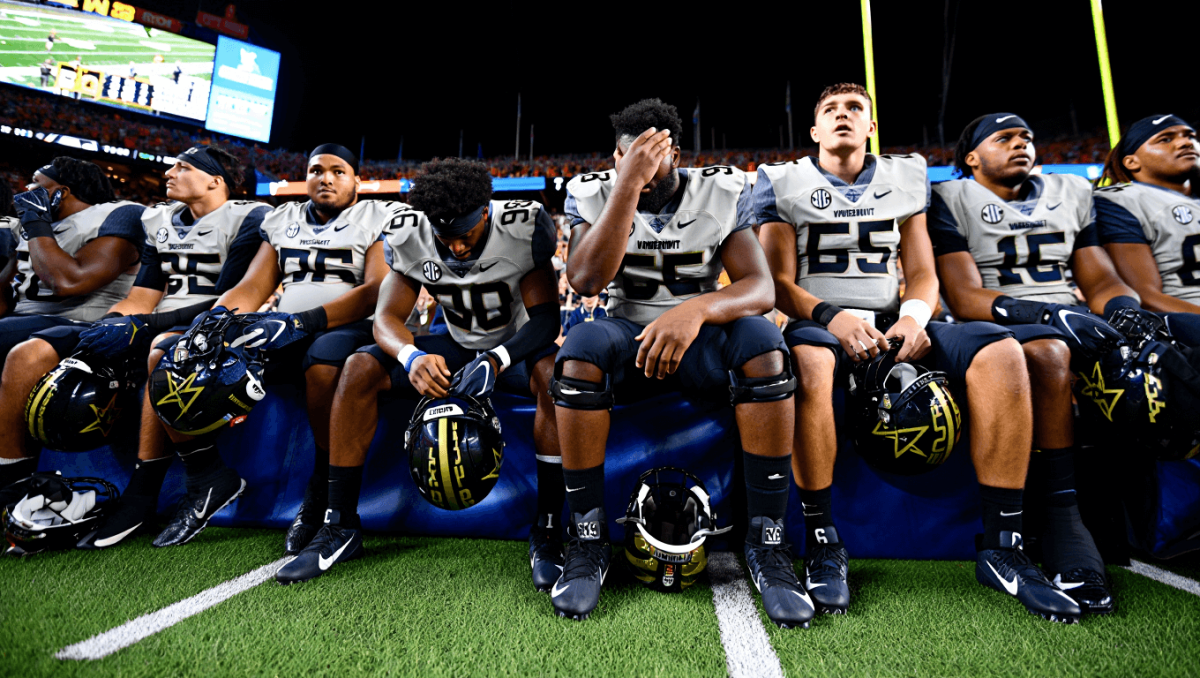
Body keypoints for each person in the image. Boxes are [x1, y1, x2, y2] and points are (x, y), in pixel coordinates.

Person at [756, 84, 1081, 623]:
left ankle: (1002, 544)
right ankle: (822, 538)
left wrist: (913, 317)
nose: (843, 116)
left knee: (1000, 351)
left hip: (894, 318)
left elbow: (925, 272)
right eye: (830, 111)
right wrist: (831, 318)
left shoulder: (904, 176)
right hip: (821, 323)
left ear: (870, 127)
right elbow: (778, 283)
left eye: (854, 109)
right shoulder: (782, 180)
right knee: (811, 361)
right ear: (813, 131)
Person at [550, 99, 802, 626]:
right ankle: (589, 537)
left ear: (678, 155)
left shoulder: (721, 188)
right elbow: (587, 281)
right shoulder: (593, 191)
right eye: (628, 154)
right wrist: (627, 185)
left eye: (653, 155)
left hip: (703, 337)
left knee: (762, 342)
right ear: (614, 158)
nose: (641, 164)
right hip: (627, 333)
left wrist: (695, 311)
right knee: (579, 350)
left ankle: (767, 542)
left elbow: (759, 287)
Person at [89, 144, 395, 549]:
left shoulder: (377, 216)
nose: (326, 178)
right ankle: (205, 475)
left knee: (322, 363)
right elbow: (253, 285)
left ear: (356, 180)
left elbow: (376, 289)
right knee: (172, 352)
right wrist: (214, 320)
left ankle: (321, 486)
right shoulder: (282, 219)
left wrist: (304, 321)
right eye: (316, 169)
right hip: (282, 326)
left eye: (338, 171)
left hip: (348, 326)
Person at [275, 158, 562, 586]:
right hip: (458, 342)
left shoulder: (521, 227)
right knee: (358, 367)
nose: (457, 249)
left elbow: (545, 322)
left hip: (516, 345)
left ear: (485, 212)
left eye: (465, 236)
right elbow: (386, 318)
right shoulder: (411, 232)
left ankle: (551, 526)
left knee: (553, 375)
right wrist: (411, 356)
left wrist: (499, 358)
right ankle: (339, 523)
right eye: (447, 239)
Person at [0, 146, 269, 546]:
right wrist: (109, 327)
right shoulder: (161, 219)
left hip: (214, 324)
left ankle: (143, 493)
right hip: (152, 320)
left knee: (163, 348)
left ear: (216, 180)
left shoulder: (249, 216)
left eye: (183, 166)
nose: (169, 171)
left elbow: (229, 298)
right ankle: (13, 483)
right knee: (30, 353)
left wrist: (141, 325)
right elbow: (141, 296)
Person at [927, 113, 1133, 614]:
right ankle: (1063, 515)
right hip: (1004, 323)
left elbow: (1102, 281)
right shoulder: (950, 199)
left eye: (1027, 137)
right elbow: (963, 294)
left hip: (1073, 318)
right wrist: (1048, 314)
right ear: (971, 157)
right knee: (1046, 350)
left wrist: (1133, 317)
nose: (1022, 143)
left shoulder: (1071, 193)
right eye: (1005, 138)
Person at [1094, 115, 1200, 321]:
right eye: (1166, 139)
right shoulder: (1120, 201)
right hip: (1183, 323)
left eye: (1190, 136)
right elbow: (1143, 295)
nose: (1186, 142)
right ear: (1132, 161)